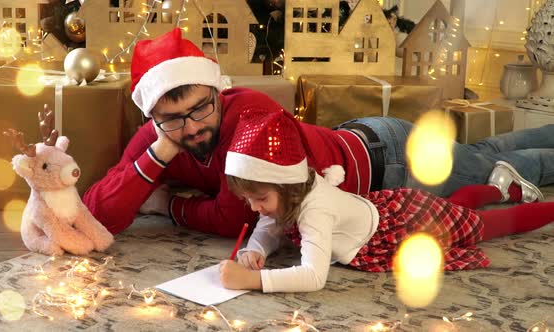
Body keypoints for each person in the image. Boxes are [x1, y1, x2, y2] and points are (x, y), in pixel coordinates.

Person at [83, 27, 554, 238]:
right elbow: (99, 215)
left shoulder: (250, 113)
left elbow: (238, 220)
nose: (193, 126)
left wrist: (168, 204)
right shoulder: (160, 138)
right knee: (482, 151)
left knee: (495, 167)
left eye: (201, 108)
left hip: (388, 163)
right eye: (173, 118)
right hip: (361, 144)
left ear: (216, 90)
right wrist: (157, 155)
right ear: (153, 117)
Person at [218, 109, 552, 293]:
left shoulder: (314, 209)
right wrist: (256, 250)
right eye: (249, 199)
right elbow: (269, 225)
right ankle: (501, 188)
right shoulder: (292, 191)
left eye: (260, 198)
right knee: (461, 210)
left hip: (405, 224)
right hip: (386, 208)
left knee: (482, 225)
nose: (254, 208)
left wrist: (253, 280)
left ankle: (523, 199)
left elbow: (313, 277)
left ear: (288, 187)